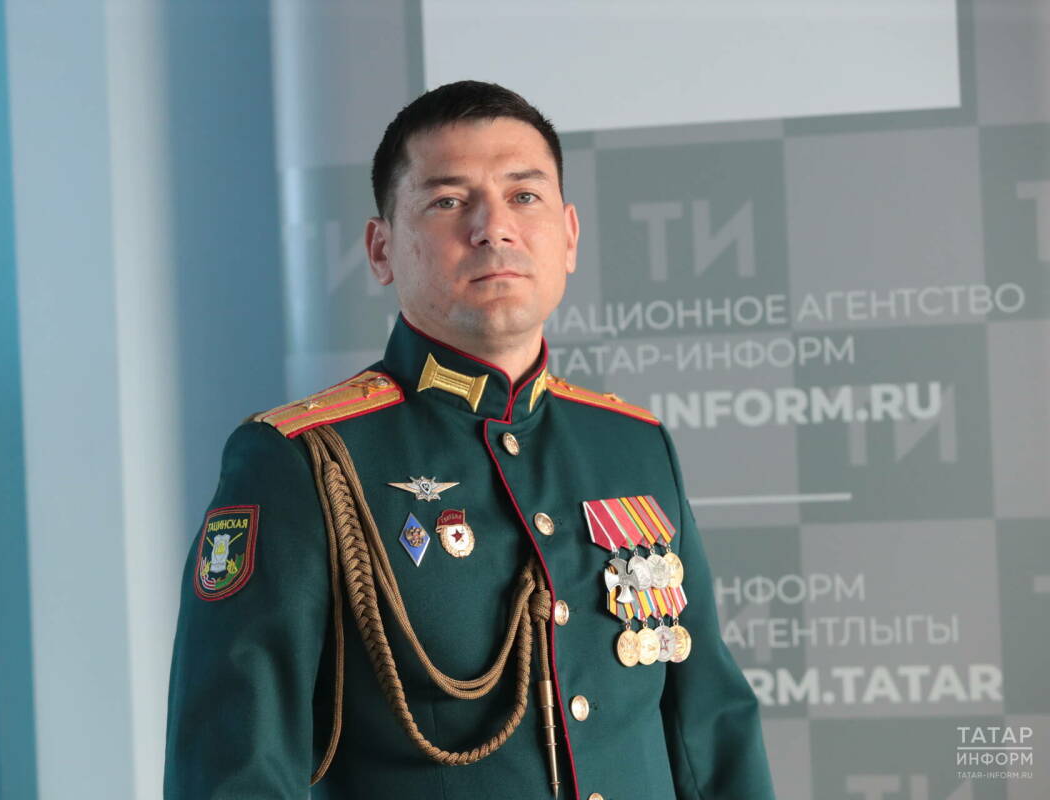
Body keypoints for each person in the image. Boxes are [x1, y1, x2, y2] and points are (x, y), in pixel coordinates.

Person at [164, 80, 776, 800]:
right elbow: (234, 771)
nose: (494, 227)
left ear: (569, 236)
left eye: (524, 195)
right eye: (449, 202)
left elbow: (712, 732)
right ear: (381, 249)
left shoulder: (632, 445)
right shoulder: (301, 460)